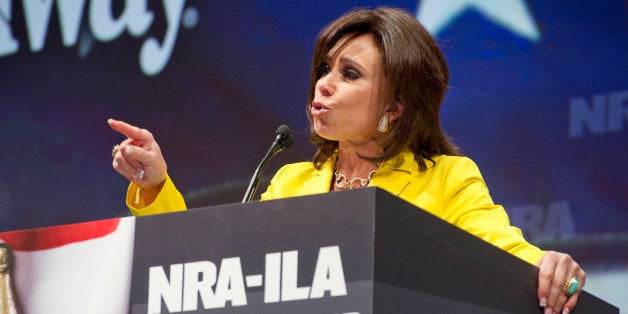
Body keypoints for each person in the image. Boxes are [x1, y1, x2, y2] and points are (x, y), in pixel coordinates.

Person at [109, 7, 585, 314]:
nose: (324, 84)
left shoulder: (445, 179)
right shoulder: (290, 181)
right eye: (325, 69)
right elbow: (216, 274)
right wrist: (155, 186)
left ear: (394, 108)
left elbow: (501, 248)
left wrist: (550, 267)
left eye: (349, 74)